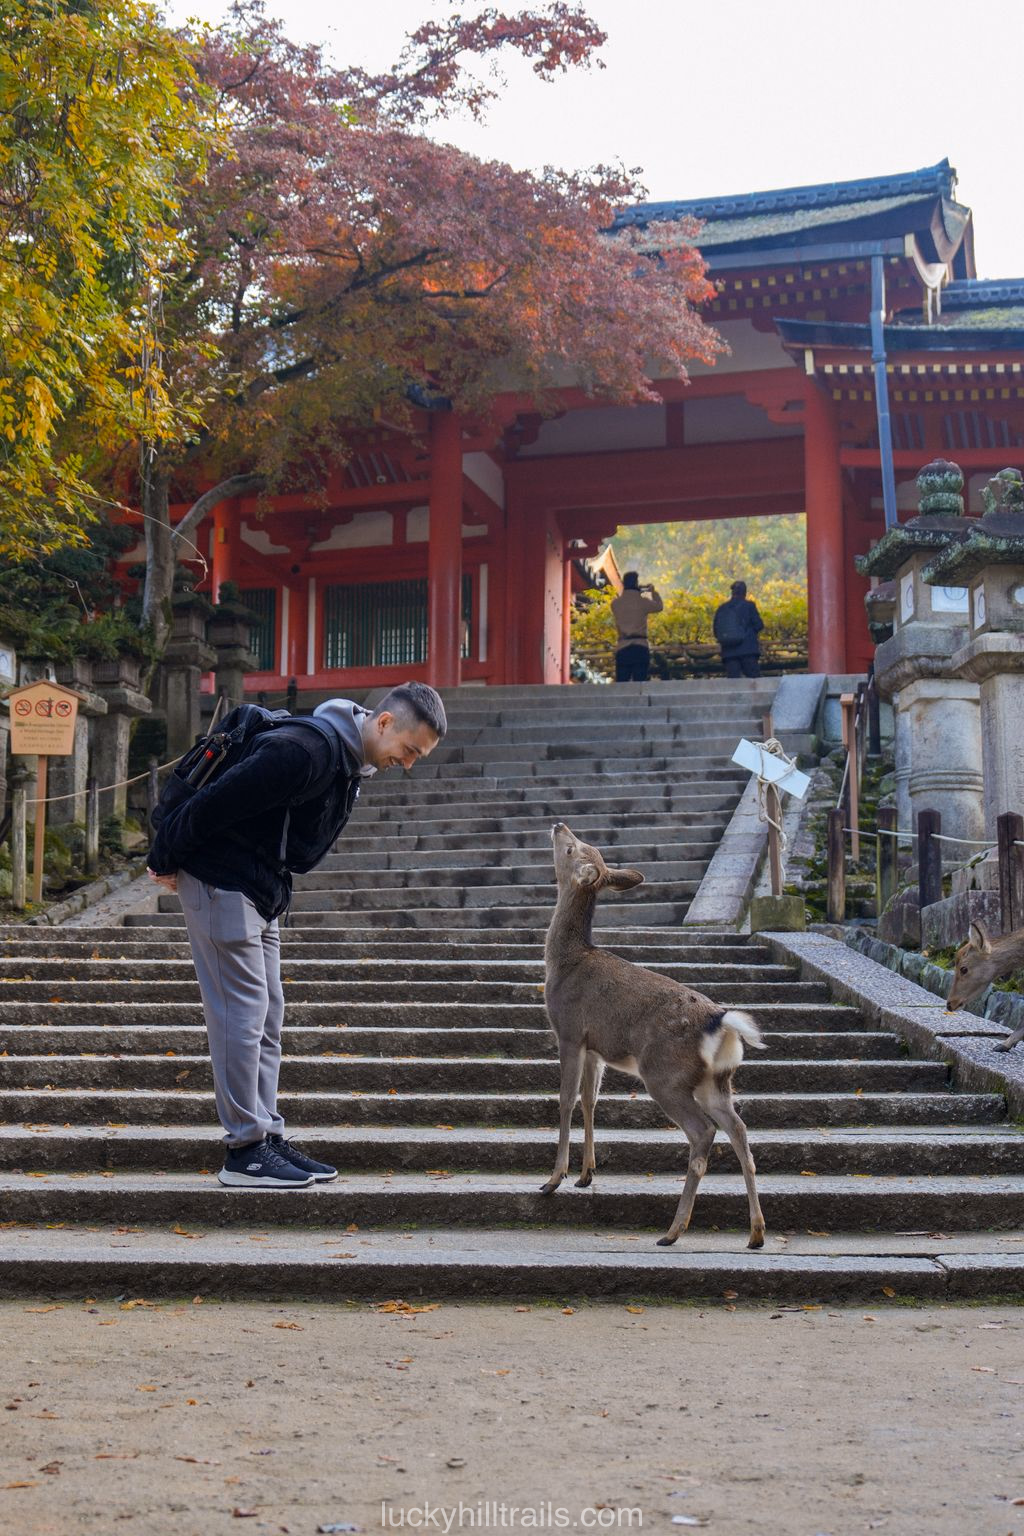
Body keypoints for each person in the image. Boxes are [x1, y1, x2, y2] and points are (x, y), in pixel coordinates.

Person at [146, 681, 446, 1189]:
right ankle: (244, 1151)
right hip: (222, 879)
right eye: (410, 750)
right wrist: (163, 858)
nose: (410, 763)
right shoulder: (303, 751)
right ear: (385, 722)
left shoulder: (348, 759)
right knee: (239, 1016)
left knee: (267, 1016)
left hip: (261, 890)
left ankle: (265, 1135)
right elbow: (214, 804)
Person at [610, 570, 663, 682]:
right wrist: (652, 592)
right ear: (636, 583)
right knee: (640, 685)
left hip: (623, 647)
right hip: (640, 646)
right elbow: (659, 606)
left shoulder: (615, 604)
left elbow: (625, 601)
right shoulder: (643, 602)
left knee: (622, 685)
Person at [713, 580, 764, 678]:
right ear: (744, 592)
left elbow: (716, 631)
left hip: (729, 652)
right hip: (748, 651)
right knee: (754, 683)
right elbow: (759, 625)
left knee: (733, 684)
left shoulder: (722, 608)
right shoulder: (749, 606)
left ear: (732, 592)